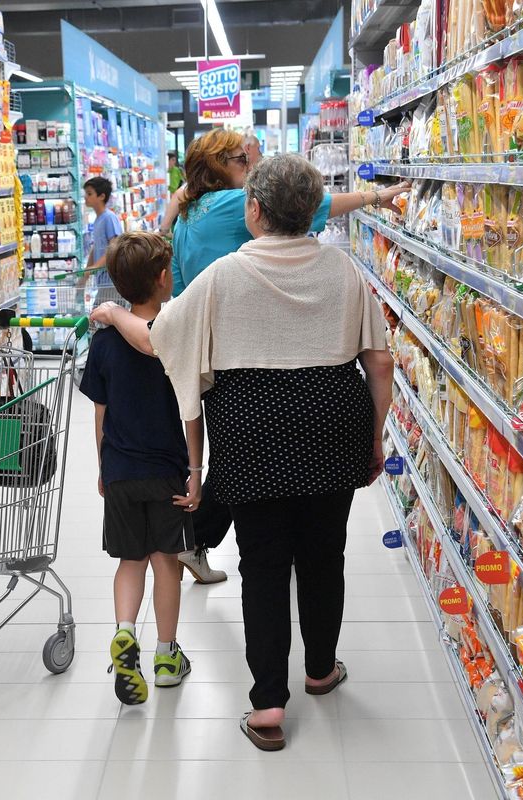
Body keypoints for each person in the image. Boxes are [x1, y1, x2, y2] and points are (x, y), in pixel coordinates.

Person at [91, 153, 396, 749]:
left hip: (251, 432)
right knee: (322, 556)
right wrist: (375, 434)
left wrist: (108, 314)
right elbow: (379, 361)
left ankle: (267, 707)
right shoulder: (343, 271)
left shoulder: (224, 277)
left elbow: (157, 338)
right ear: (310, 212)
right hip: (335, 425)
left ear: (254, 210)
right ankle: (319, 670)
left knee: (262, 564)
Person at [157, 128, 408, 584]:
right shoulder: (237, 205)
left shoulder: (189, 214)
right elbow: (317, 205)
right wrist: (376, 195)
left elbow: (176, 289)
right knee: (322, 551)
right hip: (278, 346)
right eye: (239, 159)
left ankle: (204, 543)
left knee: (253, 521)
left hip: (229, 360)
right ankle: (207, 541)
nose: (248, 167)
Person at [78, 231, 205, 706]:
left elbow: (100, 413)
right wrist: (195, 471)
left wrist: (102, 468)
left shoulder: (107, 343)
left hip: (122, 472)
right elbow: (191, 412)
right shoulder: (174, 337)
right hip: (167, 473)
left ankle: (124, 631)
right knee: (165, 564)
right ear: (161, 278)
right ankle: (167, 657)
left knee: (129, 562)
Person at [84, 176, 124, 271]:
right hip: (101, 277)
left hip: (110, 277)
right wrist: (88, 270)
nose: (86, 197)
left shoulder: (109, 218)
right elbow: (96, 247)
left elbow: (114, 248)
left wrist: (95, 267)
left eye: (89, 194)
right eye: (86, 193)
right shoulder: (98, 219)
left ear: (102, 196)